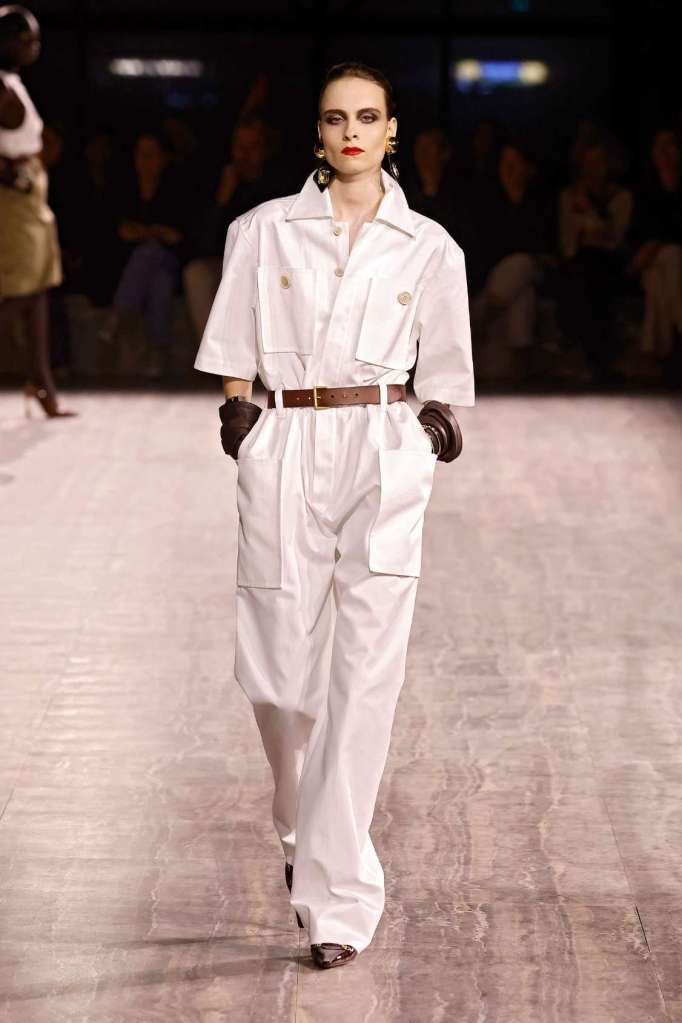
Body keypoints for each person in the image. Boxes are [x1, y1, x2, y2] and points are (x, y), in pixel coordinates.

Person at [193, 61, 475, 969]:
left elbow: (448, 367)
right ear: (317, 133)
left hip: (383, 445)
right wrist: (239, 414)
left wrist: (428, 432)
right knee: (276, 676)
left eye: (368, 117)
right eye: (334, 118)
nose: (351, 131)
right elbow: (232, 342)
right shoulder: (261, 230)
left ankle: (337, 902)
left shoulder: (430, 245)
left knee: (365, 678)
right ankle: (300, 825)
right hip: (284, 436)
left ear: (393, 132)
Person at [0, 4, 76, 418]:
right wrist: (8, 174)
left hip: (30, 192)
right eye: (26, 39)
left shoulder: (11, 81)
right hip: (13, 197)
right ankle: (41, 384)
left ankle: (42, 384)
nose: (34, 46)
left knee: (40, 287)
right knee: (19, 290)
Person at [99, 129, 185, 378]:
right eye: (140, 154)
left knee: (153, 253)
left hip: (171, 260)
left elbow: (183, 236)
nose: (145, 160)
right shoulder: (123, 190)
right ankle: (158, 351)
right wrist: (131, 233)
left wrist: (159, 233)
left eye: (152, 154)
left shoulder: (177, 190)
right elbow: (111, 230)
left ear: (164, 158)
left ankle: (117, 316)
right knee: (159, 281)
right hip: (134, 268)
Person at [626, 126, 682, 381]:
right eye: (659, 147)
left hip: (665, 265)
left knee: (668, 265)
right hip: (650, 265)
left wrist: (657, 243)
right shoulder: (645, 190)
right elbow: (636, 237)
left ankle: (652, 354)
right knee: (668, 262)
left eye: (670, 145)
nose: (664, 152)